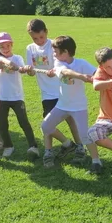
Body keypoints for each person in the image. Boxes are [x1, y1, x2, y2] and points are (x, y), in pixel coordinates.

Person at [40, 36, 99, 169]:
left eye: (56, 52)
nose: (54, 55)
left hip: (79, 107)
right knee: (45, 126)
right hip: (62, 106)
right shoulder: (58, 63)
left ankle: (96, 161)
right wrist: (82, 77)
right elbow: (66, 72)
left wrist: (100, 77)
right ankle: (68, 144)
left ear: (65, 52)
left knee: (84, 135)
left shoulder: (81, 63)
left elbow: (97, 72)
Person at [24, 18, 78, 161]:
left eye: (41, 37)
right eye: (35, 38)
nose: (39, 40)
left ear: (46, 32)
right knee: (47, 123)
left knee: (71, 120)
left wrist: (55, 69)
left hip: (62, 90)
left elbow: (61, 62)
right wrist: (29, 70)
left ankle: (79, 147)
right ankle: (53, 150)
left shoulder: (54, 45)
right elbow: (31, 72)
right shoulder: (30, 48)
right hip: (47, 94)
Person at [0, 32, 39, 160]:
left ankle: (33, 146)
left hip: (17, 97)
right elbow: (0, 60)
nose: (5, 49)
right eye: (2, 47)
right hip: (1, 96)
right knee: (2, 124)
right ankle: (8, 146)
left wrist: (27, 69)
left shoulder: (17, 58)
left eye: (8, 46)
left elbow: (25, 70)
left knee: (23, 122)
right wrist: (9, 63)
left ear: (12, 44)